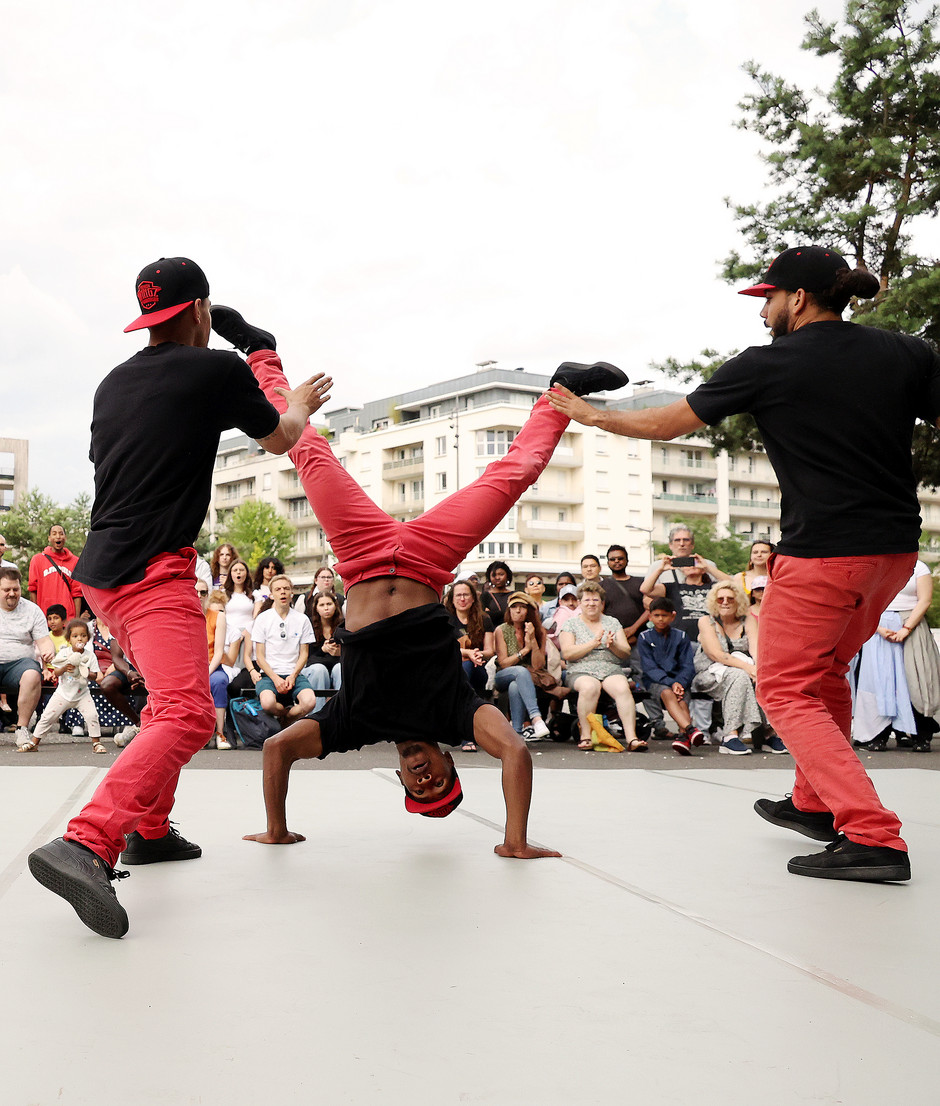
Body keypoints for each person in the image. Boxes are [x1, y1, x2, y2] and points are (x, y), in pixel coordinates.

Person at [549, 244, 940, 882]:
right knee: (826, 677)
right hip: (894, 552)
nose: (762, 313)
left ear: (799, 299)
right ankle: (817, 805)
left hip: (823, 554)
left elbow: (670, 422)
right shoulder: (907, 351)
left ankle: (874, 836)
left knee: (784, 688)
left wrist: (587, 414)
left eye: (768, 299)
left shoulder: (770, 362)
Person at [210, 305, 625, 857]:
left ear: (401, 781)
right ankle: (562, 391)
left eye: (418, 787)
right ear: (452, 762)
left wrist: (277, 828)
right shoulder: (456, 715)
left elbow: (276, 751)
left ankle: (259, 353)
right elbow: (516, 754)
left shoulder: (353, 724)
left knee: (304, 450)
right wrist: (514, 841)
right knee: (511, 476)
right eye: (438, 782)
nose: (424, 776)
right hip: (429, 558)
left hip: (360, 557)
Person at [28, 257, 333, 939]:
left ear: (151, 318)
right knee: (192, 713)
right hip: (150, 573)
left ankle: (151, 830)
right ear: (199, 312)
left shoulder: (112, 384)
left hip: (101, 576)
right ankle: (86, 841)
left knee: (169, 703)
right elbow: (283, 439)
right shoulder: (215, 372)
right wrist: (295, 399)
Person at [693, 580, 786, 755]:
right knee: (740, 676)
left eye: (730, 598)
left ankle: (768, 733)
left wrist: (758, 669)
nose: (725, 602)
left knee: (763, 676)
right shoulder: (706, 621)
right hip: (710, 674)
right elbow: (717, 655)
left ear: (739, 602)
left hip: (742, 670)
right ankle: (730, 735)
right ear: (714, 602)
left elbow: (756, 649)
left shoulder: (748, 620)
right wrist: (748, 668)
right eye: (720, 599)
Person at [559, 580, 644, 752]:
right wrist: (593, 643)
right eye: (587, 600)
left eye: (595, 600)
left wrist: (612, 646)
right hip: (580, 669)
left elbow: (626, 652)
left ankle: (631, 737)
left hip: (609, 667)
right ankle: (586, 735)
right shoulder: (571, 624)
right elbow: (567, 653)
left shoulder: (612, 622)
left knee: (622, 688)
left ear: (602, 603)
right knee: (590, 687)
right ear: (580, 603)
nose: (591, 604)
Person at [23, 619, 107, 754]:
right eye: (75, 636)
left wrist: (84, 670)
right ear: (69, 639)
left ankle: (96, 743)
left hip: (82, 694)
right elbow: (56, 672)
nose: (79, 638)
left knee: (92, 716)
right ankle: (34, 742)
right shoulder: (64, 653)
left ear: (87, 638)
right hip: (63, 693)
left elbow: (95, 675)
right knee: (47, 717)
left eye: (83, 635)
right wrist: (64, 668)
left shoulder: (89, 656)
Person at [635, 597, 703, 756]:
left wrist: (679, 681)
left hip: (680, 680)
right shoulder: (644, 637)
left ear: (673, 616)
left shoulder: (681, 636)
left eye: (664, 615)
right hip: (655, 681)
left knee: (682, 700)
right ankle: (690, 730)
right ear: (650, 616)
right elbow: (649, 667)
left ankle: (682, 738)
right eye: (656, 615)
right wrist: (671, 683)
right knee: (667, 693)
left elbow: (687, 665)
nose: (660, 619)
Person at [0, 567, 54, 748]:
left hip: (20, 665)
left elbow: (44, 641)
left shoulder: (32, 610)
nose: (12, 594)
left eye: (15, 589)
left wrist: (48, 651)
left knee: (32, 673)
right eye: (6, 590)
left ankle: (22, 728)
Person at [252, 575, 317, 722]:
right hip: (269, 674)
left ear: (291, 593)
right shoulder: (263, 619)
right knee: (268, 703)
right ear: (271, 595)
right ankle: (282, 716)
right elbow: (259, 658)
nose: (282, 592)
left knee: (309, 702)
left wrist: (293, 676)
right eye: (278, 589)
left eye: (286, 589)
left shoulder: (302, 619)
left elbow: (304, 654)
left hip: (293, 673)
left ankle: (288, 718)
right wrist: (275, 679)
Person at [494, 592, 552, 741]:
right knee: (519, 671)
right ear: (509, 610)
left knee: (515, 686)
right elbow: (503, 662)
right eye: (514, 607)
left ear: (529, 611)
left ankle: (517, 733)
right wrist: (525, 650)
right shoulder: (502, 629)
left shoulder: (539, 631)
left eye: (522, 607)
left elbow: (538, 665)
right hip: (503, 674)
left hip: (529, 676)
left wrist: (532, 640)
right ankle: (536, 718)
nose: (518, 611)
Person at [443, 580, 495, 712]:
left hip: (478, 667)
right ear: (452, 599)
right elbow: (445, 649)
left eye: (466, 595)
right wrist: (468, 653)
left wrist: (476, 654)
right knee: (465, 666)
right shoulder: (445, 620)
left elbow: (489, 650)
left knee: (469, 665)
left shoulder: (484, 619)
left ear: (473, 598)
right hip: (453, 668)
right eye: (458, 595)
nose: (462, 599)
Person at [28, 524, 82, 619]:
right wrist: (35, 616)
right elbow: (33, 589)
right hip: (45, 617)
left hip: (67, 618)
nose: (58, 536)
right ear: (49, 538)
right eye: (54, 533)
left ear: (65, 537)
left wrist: (76, 620)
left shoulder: (75, 561)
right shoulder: (37, 560)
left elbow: (77, 592)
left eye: (61, 534)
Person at [301, 591, 344, 706]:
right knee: (319, 669)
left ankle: (342, 711)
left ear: (335, 605)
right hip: (316, 671)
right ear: (316, 608)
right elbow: (308, 659)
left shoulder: (343, 625)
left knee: (339, 668)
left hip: (336, 668)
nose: (326, 608)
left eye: (329, 604)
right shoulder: (308, 625)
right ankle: (317, 714)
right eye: (322, 605)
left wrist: (340, 653)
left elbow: (351, 656)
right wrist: (323, 651)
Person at [601, 545, 648, 645]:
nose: (617, 561)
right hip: (612, 640)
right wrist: (617, 634)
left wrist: (633, 629)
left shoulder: (641, 583)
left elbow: (650, 608)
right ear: (608, 562)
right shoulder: (601, 586)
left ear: (627, 560)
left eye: (620, 558)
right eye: (613, 559)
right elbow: (599, 614)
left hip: (640, 638)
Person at [222, 559, 255, 637]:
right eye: (235, 570)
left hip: (249, 634)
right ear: (230, 574)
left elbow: (257, 617)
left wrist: (246, 632)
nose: (238, 572)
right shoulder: (223, 594)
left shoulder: (255, 594)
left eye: (241, 570)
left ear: (246, 573)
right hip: (228, 634)